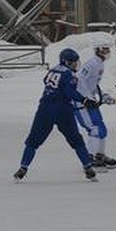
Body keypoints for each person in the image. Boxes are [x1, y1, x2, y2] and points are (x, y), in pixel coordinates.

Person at [14, 48, 99, 182]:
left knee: (33, 140)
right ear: (66, 62)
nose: (75, 65)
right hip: (62, 109)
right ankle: (88, 168)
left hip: (44, 108)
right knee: (76, 139)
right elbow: (69, 92)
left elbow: (46, 81)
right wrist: (84, 100)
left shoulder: (53, 69)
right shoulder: (68, 75)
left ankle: (23, 167)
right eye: (73, 63)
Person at [74, 39, 116, 172]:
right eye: (105, 49)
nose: (107, 52)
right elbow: (79, 81)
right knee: (94, 129)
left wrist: (103, 96)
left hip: (91, 101)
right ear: (98, 50)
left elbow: (92, 85)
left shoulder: (99, 65)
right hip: (81, 103)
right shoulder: (91, 64)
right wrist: (86, 98)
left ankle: (100, 155)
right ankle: (89, 159)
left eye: (108, 49)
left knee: (101, 128)